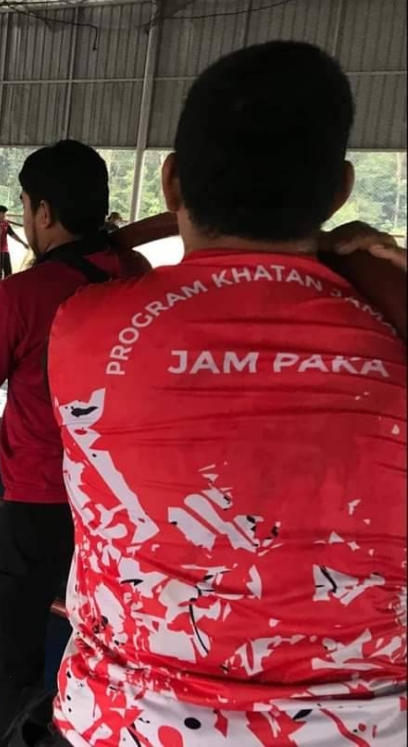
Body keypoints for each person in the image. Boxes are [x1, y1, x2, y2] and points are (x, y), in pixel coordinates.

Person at [44, 42, 406, 747]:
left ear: (173, 180)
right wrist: (365, 260)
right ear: (339, 190)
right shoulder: (393, 324)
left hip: (118, 730)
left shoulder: (82, 329)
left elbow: (96, 256)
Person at [0, 141, 150, 747]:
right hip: (117, 500)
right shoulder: (136, 276)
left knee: (8, 639)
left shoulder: (24, 295)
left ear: (45, 213)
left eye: (27, 206)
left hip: (41, 496)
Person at [0, 205, 29, 283]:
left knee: (8, 271)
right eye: (2, 213)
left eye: (4, 214)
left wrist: (23, 243)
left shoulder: (5, 223)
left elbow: (13, 234)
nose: (4, 215)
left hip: (5, 250)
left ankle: (7, 287)